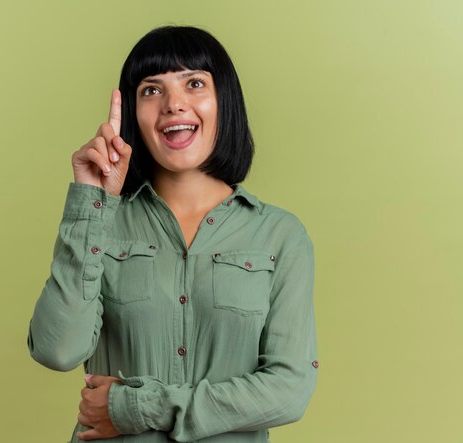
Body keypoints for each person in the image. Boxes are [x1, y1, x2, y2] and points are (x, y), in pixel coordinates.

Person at [27, 25, 317, 442]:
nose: (173, 105)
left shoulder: (280, 236)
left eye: (194, 83)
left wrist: (135, 407)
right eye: (151, 90)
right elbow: (57, 350)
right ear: (132, 114)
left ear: (224, 101)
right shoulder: (102, 224)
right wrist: (90, 202)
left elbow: (289, 391)